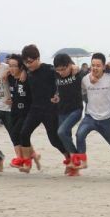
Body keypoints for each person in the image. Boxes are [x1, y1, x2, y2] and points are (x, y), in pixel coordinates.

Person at [17, 45, 69, 173]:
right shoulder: (27, 70)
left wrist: (58, 94)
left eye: (30, 62)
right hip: (35, 109)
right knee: (24, 133)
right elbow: (16, 64)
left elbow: (62, 79)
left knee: (54, 139)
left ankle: (69, 158)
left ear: (38, 58)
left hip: (50, 109)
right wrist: (23, 70)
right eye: (25, 62)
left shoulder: (49, 69)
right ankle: (27, 163)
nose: (28, 65)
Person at [72, 53, 110, 173]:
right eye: (93, 65)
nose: (95, 68)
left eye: (98, 66)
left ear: (104, 67)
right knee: (79, 135)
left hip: (107, 117)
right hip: (90, 116)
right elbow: (81, 92)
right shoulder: (85, 79)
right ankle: (83, 162)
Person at [7, 54, 40, 170]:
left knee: (17, 133)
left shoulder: (27, 78)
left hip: (26, 112)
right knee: (18, 135)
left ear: (21, 67)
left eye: (14, 66)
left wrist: (25, 71)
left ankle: (25, 162)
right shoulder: (10, 77)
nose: (11, 68)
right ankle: (34, 155)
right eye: (10, 66)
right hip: (14, 111)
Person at [54, 53, 83, 168]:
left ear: (70, 65)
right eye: (58, 70)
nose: (61, 72)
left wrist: (77, 68)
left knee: (61, 132)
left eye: (63, 69)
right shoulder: (55, 74)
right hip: (61, 110)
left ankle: (75, 156)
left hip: (76, 110)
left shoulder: (77, 73)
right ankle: (73, 165)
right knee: (66, 137)